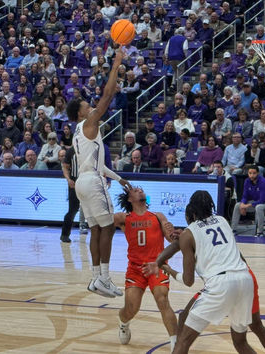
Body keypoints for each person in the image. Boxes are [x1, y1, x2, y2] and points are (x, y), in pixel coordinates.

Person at [152, 191, 255, 353]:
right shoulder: (222, 220)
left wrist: (168, 269)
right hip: (245, 279)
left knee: (183, 341)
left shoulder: (188, 233)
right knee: (241, 342)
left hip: (220, 285)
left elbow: (188, 281)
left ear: (191, 212)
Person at [67, 48, 131, 298]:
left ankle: (96, 279)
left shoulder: (78, 134)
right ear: (82, 113)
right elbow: (107, 96)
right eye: (87, 105)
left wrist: (118, 178)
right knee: (108, 228)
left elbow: (98, 164)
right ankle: (104, 277)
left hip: (83, 181)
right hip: (92, 183)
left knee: (96, 229)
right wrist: (116, 66)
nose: (91, 106)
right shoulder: (89, 122)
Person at [114, 186, 178, 351]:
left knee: (162, 299)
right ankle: (123, 322)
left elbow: (171, 240)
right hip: (136, 268)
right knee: (131, 308)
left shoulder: (158, 216)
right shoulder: (123, 218)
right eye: (135, 190)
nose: (140, 191)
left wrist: (174, 234)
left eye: (141, 190)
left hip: (158, 265)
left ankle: (176, 344)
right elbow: (100, 219)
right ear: (129, 199)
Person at [231, 165, 265, 236]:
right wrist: (242, 205)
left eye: (254, 173)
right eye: (250, 173)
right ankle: (233, 230)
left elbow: (262, 200)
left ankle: (260, 232)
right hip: (255, 202)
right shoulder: (247, 181)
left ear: (258, 173)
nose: (252, 175)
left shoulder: (264, 182)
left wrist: (247, 206)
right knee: (238, 205)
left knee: (259, 207)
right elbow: (245, 196)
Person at [60, 147, 88, 243]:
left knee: (93, 209)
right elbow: (64, 166)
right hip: (74, 182)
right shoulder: (71, 151)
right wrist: (68, 179)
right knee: (73, 209)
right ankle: (65, 234)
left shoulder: (91, 148)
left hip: (88, 181)